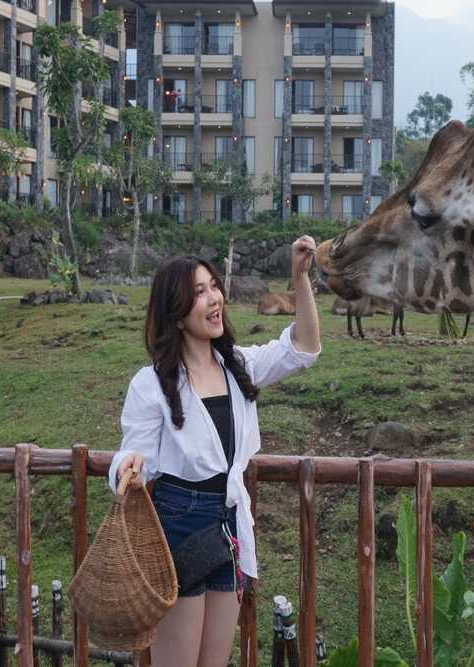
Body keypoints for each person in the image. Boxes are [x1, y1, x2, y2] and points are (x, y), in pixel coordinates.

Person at [108, 236, 321, 666]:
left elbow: (303, 348)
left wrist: (300, 278)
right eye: (199, 292)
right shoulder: (150, 384)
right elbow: (132, 455)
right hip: (177, 525)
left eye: (214, 287)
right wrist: (125, 466)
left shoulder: (236, 365)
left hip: (228, 527)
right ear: (177, 314)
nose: (214, 298)